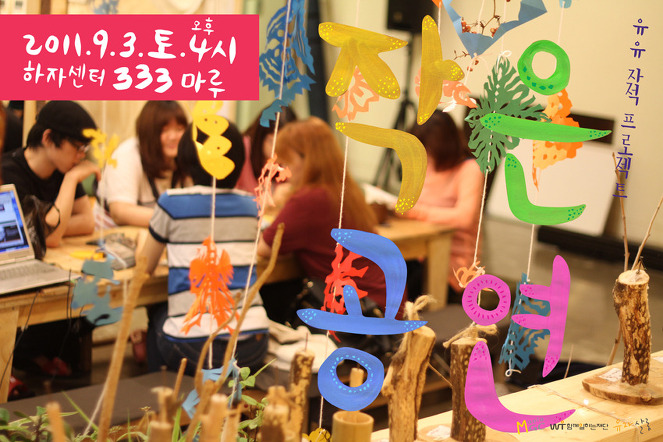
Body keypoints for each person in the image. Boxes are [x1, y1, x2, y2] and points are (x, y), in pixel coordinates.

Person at [140, 122, 269, 375]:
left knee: (158, 312)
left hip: (195, 350)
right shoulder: (252, 205)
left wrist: (138, 242)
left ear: (186, 159)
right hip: (253, 346)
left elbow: (145, 266)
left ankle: (162, 393)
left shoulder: (171, 202)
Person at [257, 117, 394, 323]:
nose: (284, 169)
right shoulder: (345, 189)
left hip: (360, 314)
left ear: (306, 159)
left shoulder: (307, 200)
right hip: (382, 302)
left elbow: (264, 249)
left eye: (287, 161)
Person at [404, 109, 484, 300]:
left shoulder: (469, 169)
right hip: (421, 252)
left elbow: (464, 218)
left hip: (453, 265)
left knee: (399, 287)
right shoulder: (426, 166)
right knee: (379, 268)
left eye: (427, 149)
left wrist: (416, 212)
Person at [1, 100, 100, 248]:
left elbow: (87, 222)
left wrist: (47, 228)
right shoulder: (8, 173)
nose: (82, 156)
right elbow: (49, 239)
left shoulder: (63, 167)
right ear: (48, 138)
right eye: (78, 147)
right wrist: (71, 179)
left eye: (85, 149)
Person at [96, 101, 187, 228]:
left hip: (154, 233)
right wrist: (176, 219)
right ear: (148, 132)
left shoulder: (184, 155)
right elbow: (120, 212)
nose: (173, 137)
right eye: (164, 130)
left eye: (179, 129)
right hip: (111, 234)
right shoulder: (127, 155)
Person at [235, 105, 297, 194]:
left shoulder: (293, 160)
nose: (278, 150)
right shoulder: (241, 150)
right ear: (260, 137)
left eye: (285, 144)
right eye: (272, 142)